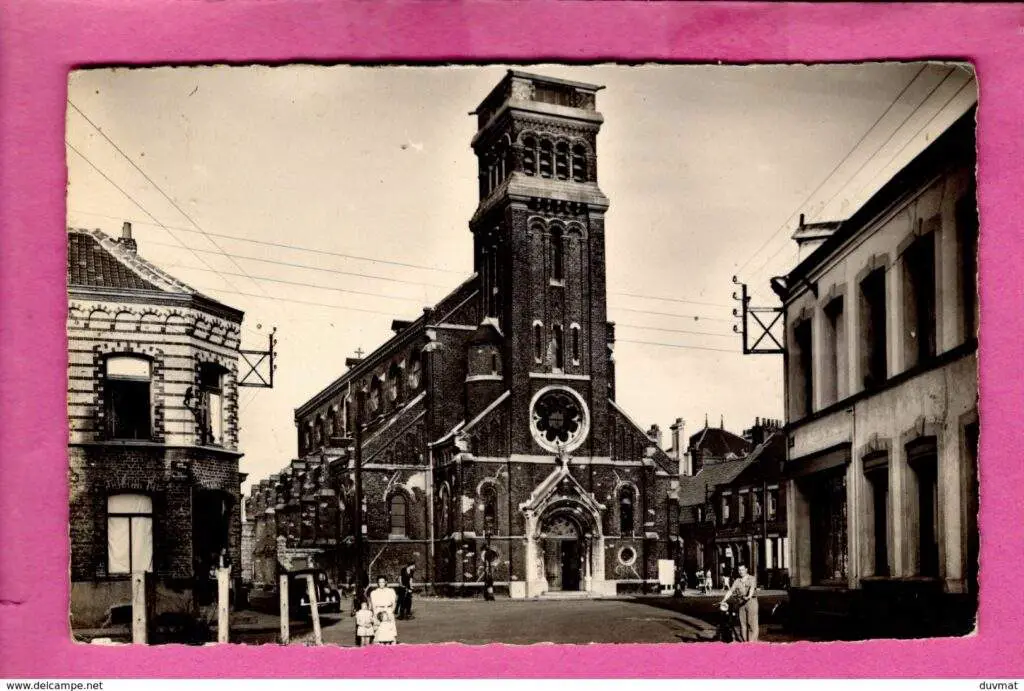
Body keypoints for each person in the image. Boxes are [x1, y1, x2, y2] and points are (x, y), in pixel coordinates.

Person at [719, 564, 758, 642]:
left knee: (752, 623)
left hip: (751, 602)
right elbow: (730, 591)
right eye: (739, 570)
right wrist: (724, 600)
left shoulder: (752, 578)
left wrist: (749, 596)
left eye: (742, 570)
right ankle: (745, 642)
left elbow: (752, 589)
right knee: (742, 624)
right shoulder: (737, 580)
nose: (741, 572)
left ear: (746, 570)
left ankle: (752, 643)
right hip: (741, 603)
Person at [369, 575, 398, 644]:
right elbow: (373, 605)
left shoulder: (391, 591)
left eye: (383, 582)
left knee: (390, 631)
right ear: (378, 583)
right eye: (379, 582)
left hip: (388, 610)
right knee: (379, 631)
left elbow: (394, 603)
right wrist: (375, 614)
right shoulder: (374, 592)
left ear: (386, 582)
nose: (381, 584)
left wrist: (391, 612)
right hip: (378, 611)